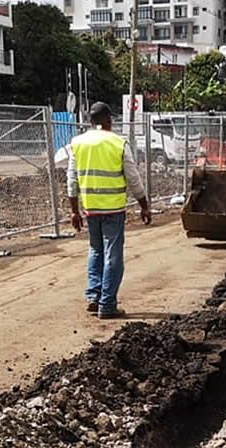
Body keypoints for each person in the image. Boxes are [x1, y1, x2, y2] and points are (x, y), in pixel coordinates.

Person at [67, 102, 152, 319]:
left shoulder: (77, 143)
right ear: (107, 120)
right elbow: (133, 178)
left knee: (95, 251)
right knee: (113, 256)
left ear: (90, 121)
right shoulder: (118, 143)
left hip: (91, 209)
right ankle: (107, 304)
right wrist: (144, 206)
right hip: (113, 209)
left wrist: (75, 211)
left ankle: (94, 296)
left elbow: (71, 180)